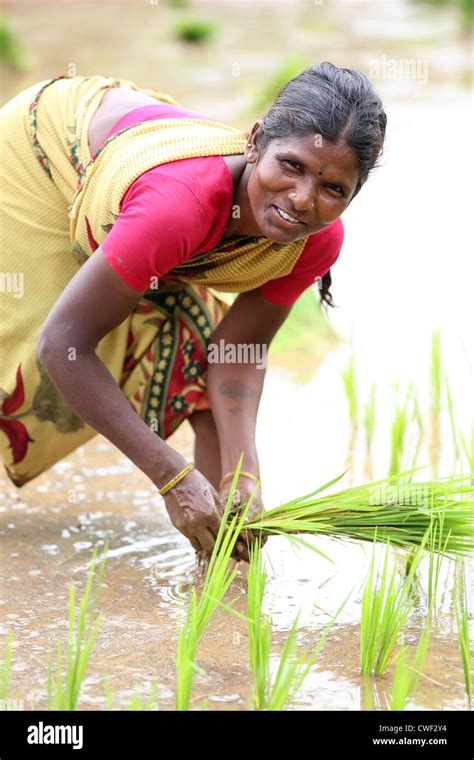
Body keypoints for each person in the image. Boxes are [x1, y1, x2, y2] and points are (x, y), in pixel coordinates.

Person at [0, 62, 387, 562]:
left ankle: (221, 565)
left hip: (146, 202)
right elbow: (64, 344)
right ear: (253, 143)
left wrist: (244, 473)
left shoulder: (315, 242)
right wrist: (170, 477)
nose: (302, 199)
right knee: (26, 334)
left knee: (195, 357)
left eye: (333, 188)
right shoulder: (177, 207)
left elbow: (235, 352)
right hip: (40, 153)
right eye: (290, 166)